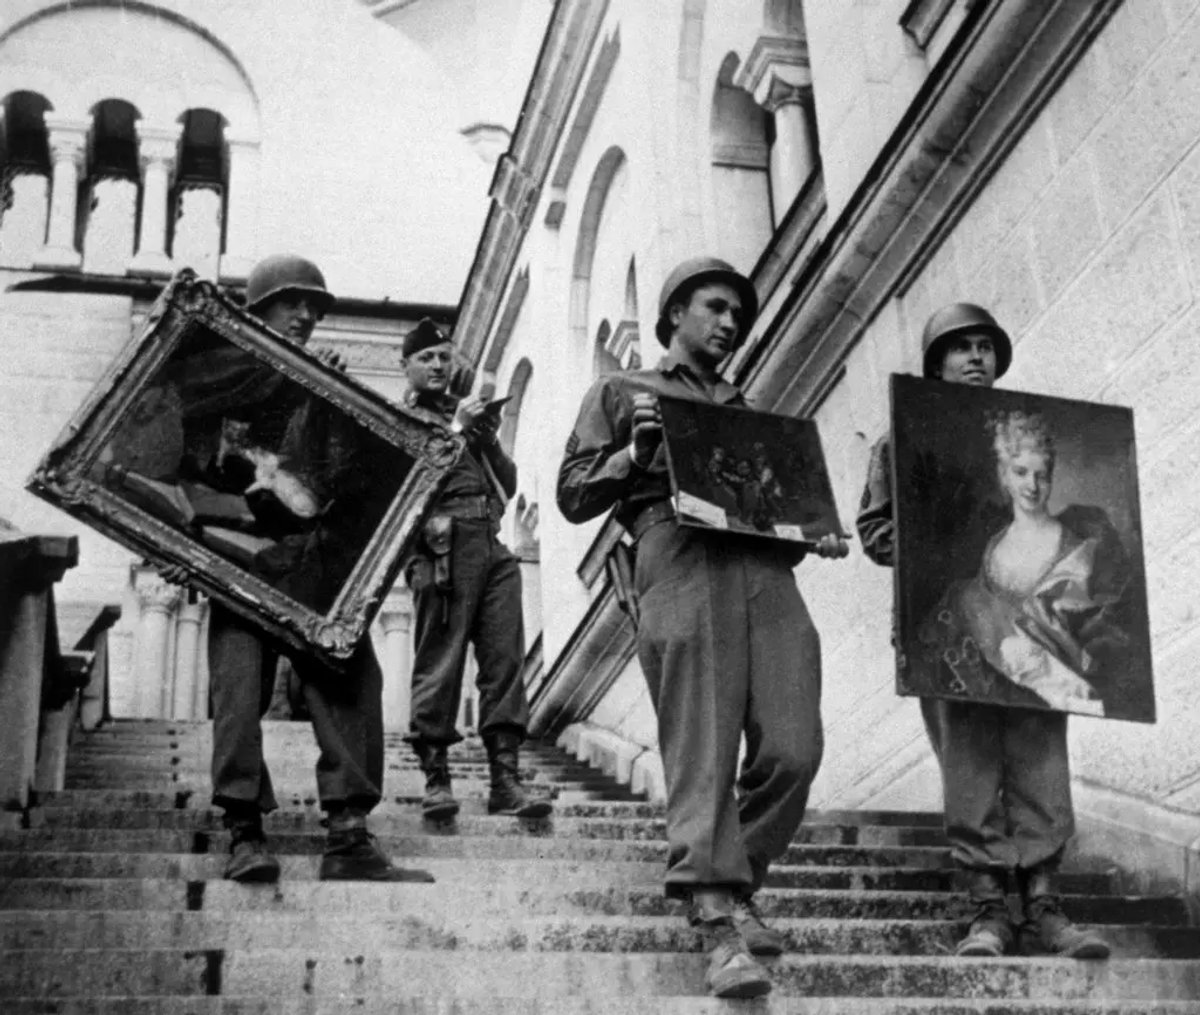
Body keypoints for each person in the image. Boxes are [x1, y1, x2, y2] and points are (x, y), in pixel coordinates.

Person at [557, 256, 848, 999]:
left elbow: (777, 506)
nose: (729, 324)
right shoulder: (623, 391)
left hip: (764, 570)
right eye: (716, 308)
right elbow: (572, 494)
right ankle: (716, 917)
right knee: (703, 744)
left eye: (738, 316)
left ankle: (737, 875)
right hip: (678, 557)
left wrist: (812, 528)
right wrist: (632, 455)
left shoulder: (749, 412)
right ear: (674, 314)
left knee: (794, 747)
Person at [168, 254, 434, 885]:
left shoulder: (323, 386)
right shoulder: (211, 387)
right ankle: (243, 831)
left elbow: (343, 483)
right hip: (237, 560)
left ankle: (349, 836)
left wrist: (332, 402)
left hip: (315, 567)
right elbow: (177, 477)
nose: (307, 314)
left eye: (314, 306)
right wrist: (175, 547)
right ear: (259, 308)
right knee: (238, 692)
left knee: (351, 681)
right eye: (293, 302)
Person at [856, 301, 1110, 959]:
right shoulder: (902, 436)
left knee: (1039, 757)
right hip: (950, 630)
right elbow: (876, 532)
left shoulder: (1025, 435)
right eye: (960, 347)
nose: (976, 358)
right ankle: (989, 910)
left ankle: (1046, 906)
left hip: (1028, 625)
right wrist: (941, 538)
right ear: (935, 362)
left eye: (985, 347)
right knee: (970, 765)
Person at [400, 318, 551, 822]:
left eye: (444, 357)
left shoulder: (461, 415)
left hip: (491, 540)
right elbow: (408, 480)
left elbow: (506, 482)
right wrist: (458, 431)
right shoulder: (400, 419)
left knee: (504, 660)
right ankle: (436, 778)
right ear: (406, 367)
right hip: (442, 547)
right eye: (426, 358)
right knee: (440, 660)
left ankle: (505, 780)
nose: (438, 366)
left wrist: (487, 440)